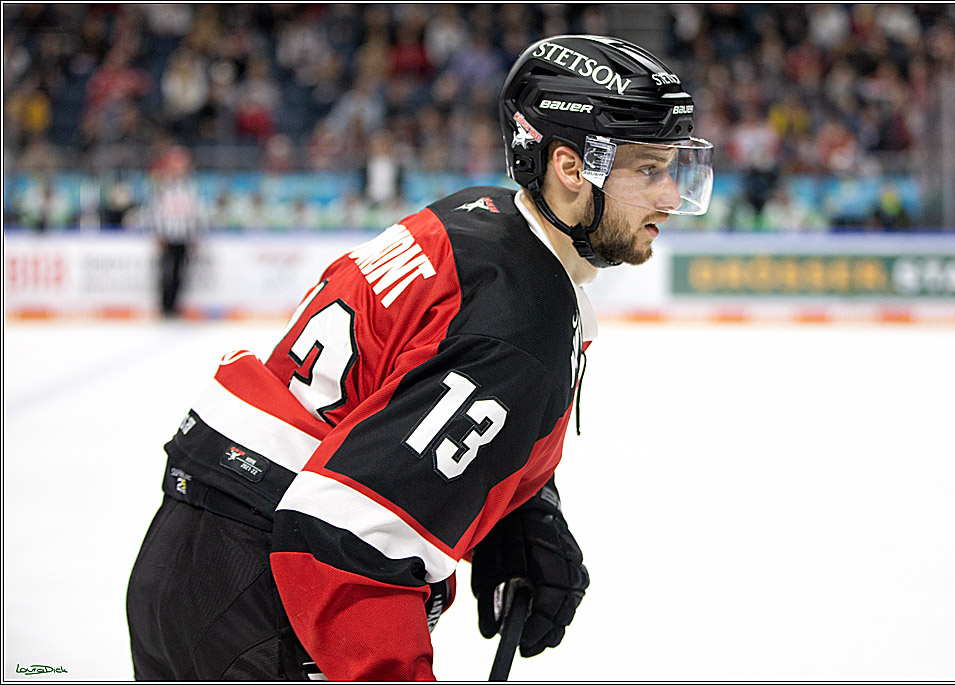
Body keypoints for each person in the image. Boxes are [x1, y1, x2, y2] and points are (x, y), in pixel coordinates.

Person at [126, 34, 713, 681]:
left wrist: (521, 502)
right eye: (649, 171)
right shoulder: (521, 326)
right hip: (260, 598)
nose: (669, 197)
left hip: (197, 550)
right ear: (572, 168)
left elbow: (412, 383)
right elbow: (345, 543)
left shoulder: (479, 213)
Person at [148, 145, 206, 317]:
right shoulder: (163, 186)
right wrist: (159, 233)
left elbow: (196, 212)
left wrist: (195, 234)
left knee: (181, 272)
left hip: (184, 236)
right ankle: (165, 306)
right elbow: (157, 211)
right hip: (168, 234)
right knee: (166, 272)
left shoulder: (191, 187)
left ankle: (174, 306)